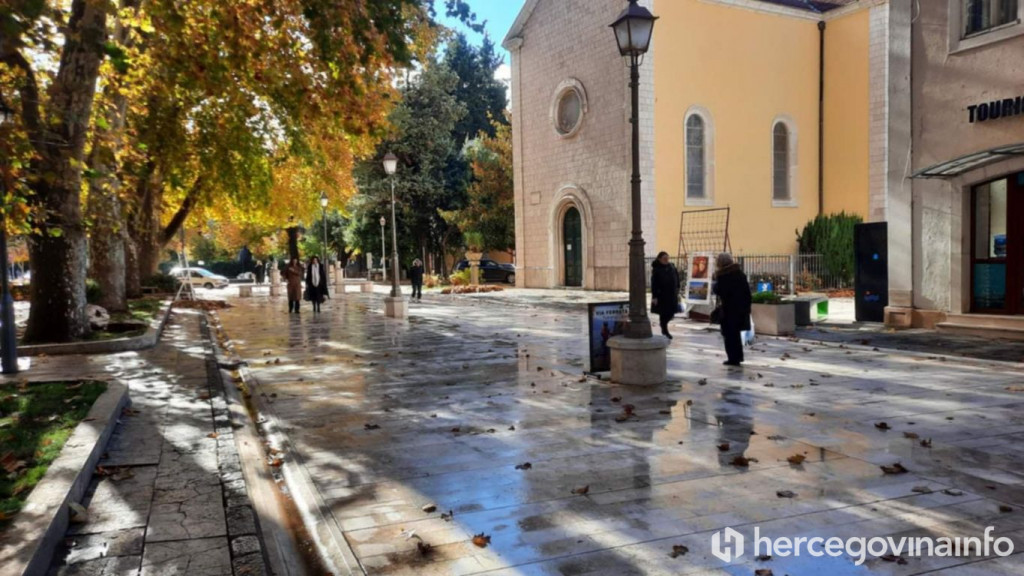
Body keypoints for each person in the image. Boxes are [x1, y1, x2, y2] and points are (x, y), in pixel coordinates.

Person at [713, 252, 752, 366]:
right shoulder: (740, 273)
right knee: (735, 334)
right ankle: (738, 357)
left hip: (728, 309)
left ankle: (732, 358)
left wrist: (715, 284)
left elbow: (720, 291)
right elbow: (747, 292)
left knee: (729, 334)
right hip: (741, 308)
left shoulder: (723, 276)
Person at [650, 251, 681, 340]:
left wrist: (678, 288)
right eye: (664, 259)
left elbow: (677, 277)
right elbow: (654, 284)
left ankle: (664, 326)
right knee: (663, 313)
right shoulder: (656, 269)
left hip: (672, 294)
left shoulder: (672, 267)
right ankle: (665, 329)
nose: (666, 260)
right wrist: (655, 296)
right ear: (659, 259)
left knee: (671, 313)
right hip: (662, 295)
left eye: (667, 258)